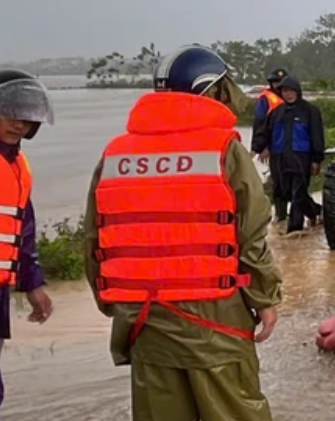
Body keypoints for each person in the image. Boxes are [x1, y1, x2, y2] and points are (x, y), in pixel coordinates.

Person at [83, 45, 282, 421]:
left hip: (144, 319)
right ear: (211, 91)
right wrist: (265, 298)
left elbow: (95, 242)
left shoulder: (115, 156)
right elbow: (251, 237)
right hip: (216, 317)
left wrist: (115, 305)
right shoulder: (225, 151)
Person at [0, 70, 54, 411]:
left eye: (26, 119)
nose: (18, 125)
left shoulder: (18, 166)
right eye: (10, 114)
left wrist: (32, 283)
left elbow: (24, 231)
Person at [254, 75, 325, 234]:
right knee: (285, 192)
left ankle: (294, 230)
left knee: (298, 192)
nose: (288, 94)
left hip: (301, 158)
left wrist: (316, 159)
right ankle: (315, 212)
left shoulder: (310, 111)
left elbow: (317, 136)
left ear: (297, 91)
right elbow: (264, 133)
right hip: (279, 159)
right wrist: (257, 148)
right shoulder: (276, 113)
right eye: (285, 91)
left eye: (291, 90)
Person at [252, 68, 288, 224]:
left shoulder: (290, 97)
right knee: (278, 181)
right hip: (274, 146)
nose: (278, 85)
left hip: (291, 147)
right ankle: (280, 215)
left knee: (294, 182)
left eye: (281, 82)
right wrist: (263, 147)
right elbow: (260, 124)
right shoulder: (266, 99)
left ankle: (300, 213)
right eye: (275, 82)